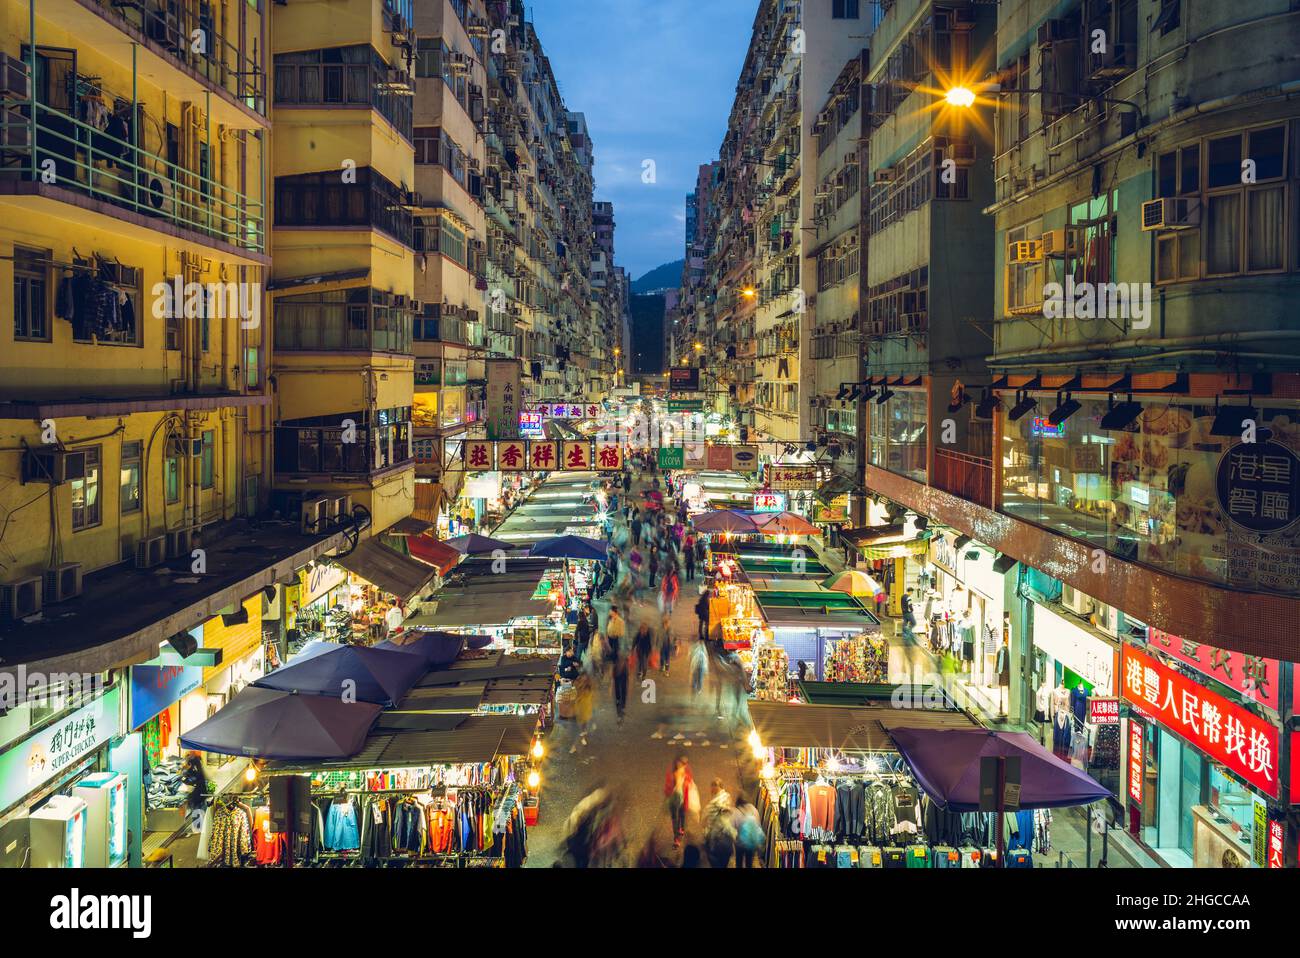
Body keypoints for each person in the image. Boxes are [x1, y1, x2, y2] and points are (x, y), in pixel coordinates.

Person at [702, 778, 736, 868]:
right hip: (727, 841)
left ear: (716, 787)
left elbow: (705, 820)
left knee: (715, 862)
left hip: (716, 842)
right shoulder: (727, 796)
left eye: (712, 787)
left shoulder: (713, 804)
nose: (711, 790)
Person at [663, 756, 694, 849]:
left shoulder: (686, 772)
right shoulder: (672, 773)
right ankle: (676, 839)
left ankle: (681, 829)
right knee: (675, 818)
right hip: (674, 799)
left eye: (684, 763)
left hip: (682, 798)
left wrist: (685, 781)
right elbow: (667, 787)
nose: (683, 765)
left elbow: (689, 781)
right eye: (681, 763)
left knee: (682, 813)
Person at [731, 794, 763, 868]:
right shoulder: (753, 809)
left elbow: (732, 827)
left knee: (739, 862)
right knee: (749, 863)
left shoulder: (736, 811)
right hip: (751, 841)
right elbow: (758, 824)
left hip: (739, 843)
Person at [570, 672, 594, 753]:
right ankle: (574, 745)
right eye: (582, 678)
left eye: (585, 679)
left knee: (583, 728)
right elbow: (574, 695)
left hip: (585, 711)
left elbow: (589, 698)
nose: (583, 680)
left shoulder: (588, 688)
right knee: (576, 729)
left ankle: (583, 738)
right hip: (577, 710)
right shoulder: (577, 685)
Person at [611, 641, 630, 725]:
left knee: (622, 691)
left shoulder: (624, 664)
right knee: (619, 692)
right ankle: (621, 708)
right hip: (618, 676)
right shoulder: (616, 661)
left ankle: (622, 707)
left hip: (623, 676)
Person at [659, 612, 675, 677]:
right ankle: (662, 666)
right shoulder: (661, 629)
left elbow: (672, 638)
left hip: (668, 646)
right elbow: (659, 636)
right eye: (665, 623)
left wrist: (673, 647)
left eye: (667, 623)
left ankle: (667, 671)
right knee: (662, 658)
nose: (666, 625)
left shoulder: (670, 629)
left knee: (667, 659)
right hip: (662, 646)